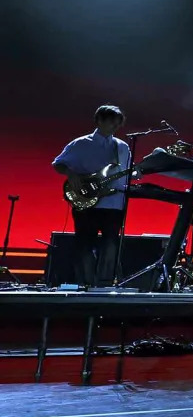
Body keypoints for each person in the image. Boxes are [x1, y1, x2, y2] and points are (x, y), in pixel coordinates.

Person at [52, 105, 131, 287]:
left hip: (113, 203)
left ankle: (105, 285)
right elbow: (57, 164)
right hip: (86, 202)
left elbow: (126, 173)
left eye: (118, 123)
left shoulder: (122, 147)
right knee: (84, 245)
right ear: (99, 120)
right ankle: (86, 284)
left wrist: (137, 174)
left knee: (111, 245)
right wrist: (71, 174)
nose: (115, 126)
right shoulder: (80, 144)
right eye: (111, 122)